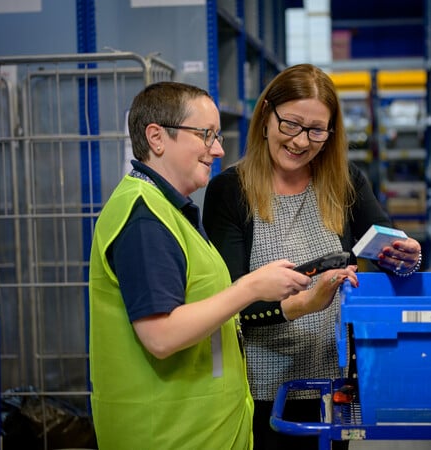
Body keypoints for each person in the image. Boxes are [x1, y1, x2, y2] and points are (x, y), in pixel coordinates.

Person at [88, 81, 323, 449]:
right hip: (166, 435)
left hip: (196, 431)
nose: (218, 149)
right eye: (205, 135)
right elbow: (160, 336)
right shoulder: (144, 219)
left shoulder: (171, 210)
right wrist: (251, 288)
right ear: (157, 137)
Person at [203, 64, 422, 449]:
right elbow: (228, 307)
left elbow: (388, 250)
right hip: (259, 392)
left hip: (332, 383)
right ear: (266, 115)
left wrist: (407, 256)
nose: (302, 141)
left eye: (317, 130)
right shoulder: (229, 192)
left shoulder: (346, 182)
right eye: (291, 124)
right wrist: (302, 304)